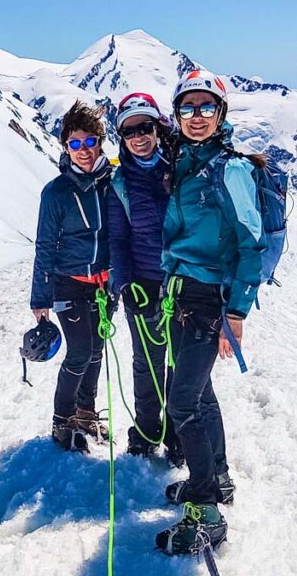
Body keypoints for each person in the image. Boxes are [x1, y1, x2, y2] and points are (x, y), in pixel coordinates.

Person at [154, 69, 266, 555]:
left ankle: (207, 514)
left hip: (209, 301)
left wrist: (236, 312)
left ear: (220, 114)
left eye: (205, 108)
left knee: (182, 402)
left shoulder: (230, 169)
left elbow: (252, 243)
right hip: (181, 294)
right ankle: (215, 477)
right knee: (198, 395)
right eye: (188, 108)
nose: (196, 117)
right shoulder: (184, 162)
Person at [30, 100, 114, 452]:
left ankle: (85, 413)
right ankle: (62, 420)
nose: (83, 150)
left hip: (106, 285)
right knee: (80, 351)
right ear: (65, 146)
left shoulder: (112, 183)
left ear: (100, 142)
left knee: (96, 350)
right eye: (74, 143)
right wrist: (40, 298)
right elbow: (45, 245)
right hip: (69, 283)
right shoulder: (56, 193)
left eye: (89, 141)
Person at [105, 92, 184, 466]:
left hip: (182, 282)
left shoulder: (181, 168)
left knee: (180, 365)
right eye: (130, 131)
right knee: (147, 363)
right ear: (121, 137)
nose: (138, 137)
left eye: (145, 127)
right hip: (143, 285)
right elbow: (117, 239)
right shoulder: (120, 182)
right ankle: (147, 431)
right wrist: (124, 284)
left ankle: (178, 434)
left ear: (158, 128)